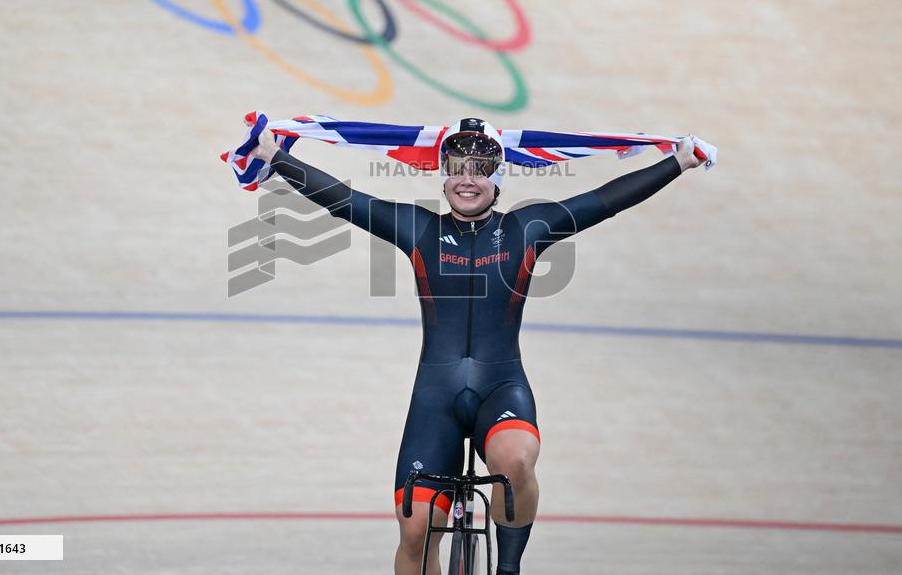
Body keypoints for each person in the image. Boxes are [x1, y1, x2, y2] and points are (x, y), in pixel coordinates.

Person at [250, 117, 706, 575]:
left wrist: (678, 163)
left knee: (515, 464)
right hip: (437, 400)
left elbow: (605, 201)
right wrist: (276, 158)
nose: (468, 178)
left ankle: (508, 569)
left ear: (498, 178)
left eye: (481, 168)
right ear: (444, 175)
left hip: (500, 388)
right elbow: (345, 201)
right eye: (458, 167)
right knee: (414, 530)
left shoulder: (527, 228)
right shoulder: (418, 229)